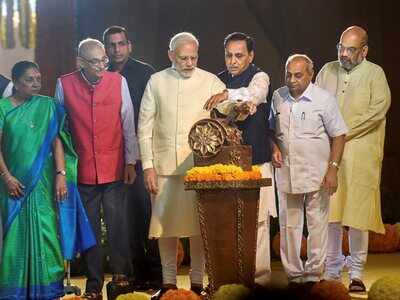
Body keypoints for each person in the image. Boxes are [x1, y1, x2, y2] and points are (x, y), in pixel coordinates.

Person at [138, 32, 225, 299]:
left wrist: (228, 99)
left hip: (199, 166)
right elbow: (144, 126)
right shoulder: (156, 81)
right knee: (166, 227)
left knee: (198, 227)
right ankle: (168, 283)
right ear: (171, 55)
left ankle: (198, 283)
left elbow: (229, 108)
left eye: (193, 57)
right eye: (183, 58)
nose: (189, 63)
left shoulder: (210, 80)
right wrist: (148, 166)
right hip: (163, 166)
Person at [0, 61, 95, 299]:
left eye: (38, 79)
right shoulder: (2, 108)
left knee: (47, 232)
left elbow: (57, 142)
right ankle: (16, 292)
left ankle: (49, 289)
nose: (35, 84)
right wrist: (7, 178)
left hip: (43, 184)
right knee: (15, 237)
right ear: (15, 82)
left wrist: (61, 176)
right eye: (29, 80)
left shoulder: (48, 106)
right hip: (14, 186)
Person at [55, 38, 139, 300]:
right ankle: (94, 286)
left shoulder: (118, 81)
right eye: (95, 61)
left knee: (118, 226)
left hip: (114, 167)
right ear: (80, 61)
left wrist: (130, 161)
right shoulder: (64, 84)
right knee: (89, 231)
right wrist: (62, 171)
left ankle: (121, 279)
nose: (103, 65)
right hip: (82, 171)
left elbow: (128, 124)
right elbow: (58, 130)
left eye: (104, 59)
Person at [316, 25, 391, 292]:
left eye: (350, 50)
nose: (344, 54)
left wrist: (341, 132)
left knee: (358, 216)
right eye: (341, 47)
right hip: (329, 154)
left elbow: (378, 111)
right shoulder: (327, 70)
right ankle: (333, 271)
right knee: (332, 215)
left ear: (364, 51)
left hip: (361, 155)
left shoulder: (375, 74)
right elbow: (316, 104)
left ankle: (357, 273)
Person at [204, 32, 276, 286]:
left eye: (239, 55)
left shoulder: (259, 76)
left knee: (258, 222)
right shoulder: (216, 81)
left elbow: (253, 95)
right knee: (226, 221)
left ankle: (260, 281)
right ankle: (230, 279)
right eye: (228, 55)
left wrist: (227, 97)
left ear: (250, 56)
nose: (233, 61)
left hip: (256, 161)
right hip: (225, 164)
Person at [270, 55, 347, 286]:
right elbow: (270, 130)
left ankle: (314, 276)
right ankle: (294, 276)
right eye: (288, 75)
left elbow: (339, 135)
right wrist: (273, 147)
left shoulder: (324, 99)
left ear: (310, 74)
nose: (292, 80)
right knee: (288, 226)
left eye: (298, 75)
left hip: (317, 173)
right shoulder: (278, 97)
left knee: (316, 226)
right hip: (286, 172)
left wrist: (333, 170)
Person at [103, 25, 161, 288]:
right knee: (124, 220)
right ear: (105, 48)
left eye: (121, 44)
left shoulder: (145, 73)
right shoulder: (100, 74)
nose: (116, 49)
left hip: (142, 157)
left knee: (147, 214)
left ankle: (156, 276)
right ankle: (136, 275)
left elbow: (154, 115)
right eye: (111, 45)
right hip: (112, 157)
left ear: (130, 45)